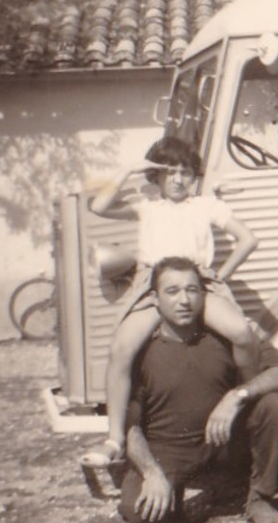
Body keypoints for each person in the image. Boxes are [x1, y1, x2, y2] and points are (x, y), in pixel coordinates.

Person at [83, 136, 261, 468]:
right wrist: (130, 169)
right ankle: (114, 440)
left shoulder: (206, 205)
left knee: (241, 332)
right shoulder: (147, 206)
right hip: (154, 284)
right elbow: (98, 207)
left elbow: (249, 239)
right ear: (157, 177)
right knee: (121, 348)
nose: (178, 180)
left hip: (196, 281)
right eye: (170, 173)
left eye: (186, 172)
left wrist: (218, 274)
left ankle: (248, 408)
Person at [115, 257, 278, 523]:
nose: (184, 300)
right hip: (172, 448)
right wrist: (151, 473)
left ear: (204, 295)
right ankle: (171, 504)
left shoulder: (227, 336)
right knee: (138, 511)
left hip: (224, 442)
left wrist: (237, 396)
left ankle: (258, 498)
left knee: (275, 405)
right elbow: (130, 425)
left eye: (192, 290)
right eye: (172, 291)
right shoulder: (142, 349)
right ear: (155, 299)